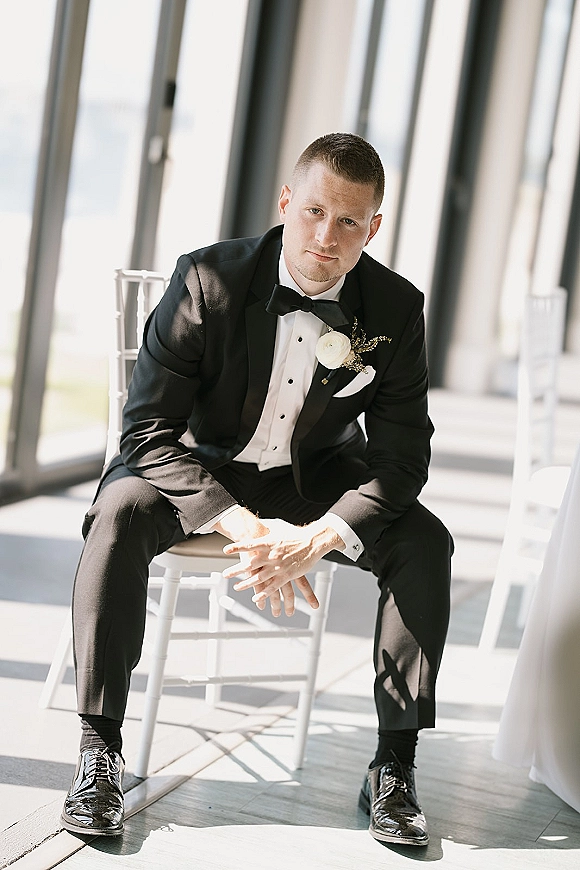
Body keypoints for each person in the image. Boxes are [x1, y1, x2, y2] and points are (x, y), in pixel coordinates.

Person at [61, 133, 453, 846]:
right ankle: (99, 751)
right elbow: (147, 432)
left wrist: (320, 537)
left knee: (424, 540)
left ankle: (395, 767)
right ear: (285, 202)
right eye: (312, 212)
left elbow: (401, 459)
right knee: (117, 511)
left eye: (348, 222)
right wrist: (243, 526)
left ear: (375, 226)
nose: (325, 237)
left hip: (314, 479)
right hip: (201, 466)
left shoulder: (393, 311)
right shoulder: (208, 279)